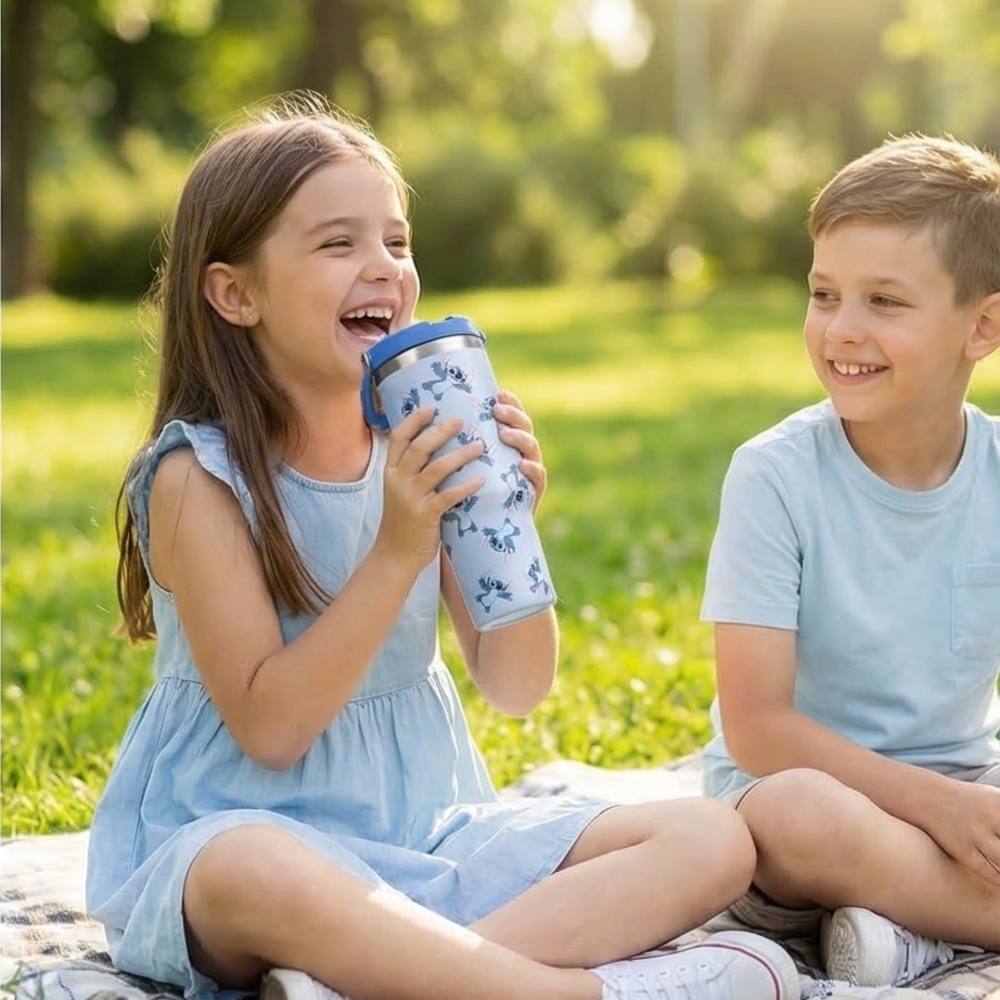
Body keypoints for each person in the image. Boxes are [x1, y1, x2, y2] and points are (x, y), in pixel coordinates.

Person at [84, 93, 801, 1000]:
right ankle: (559, 994)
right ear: (237, 293)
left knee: (713, 838)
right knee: (248, 868)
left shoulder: (419, 444)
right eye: (338, 244)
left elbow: (517, 684)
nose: (383, 267)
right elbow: (271, 730)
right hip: (248, 836)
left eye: (396, 241)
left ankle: (379, 977)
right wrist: (396, 551)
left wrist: (505, 525)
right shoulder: (199, 477)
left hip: (422, 834)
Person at [699, 134, 1000, 988]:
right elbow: (759, 728)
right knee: (801, 818)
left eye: (885, 301)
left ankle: (910, 936)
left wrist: (966, 801)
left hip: (965, 782)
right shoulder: (775, 474)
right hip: (803, 790)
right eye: (824, 294)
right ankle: (958, 918)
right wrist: (939, 807)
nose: (842, 329)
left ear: (983, 326)